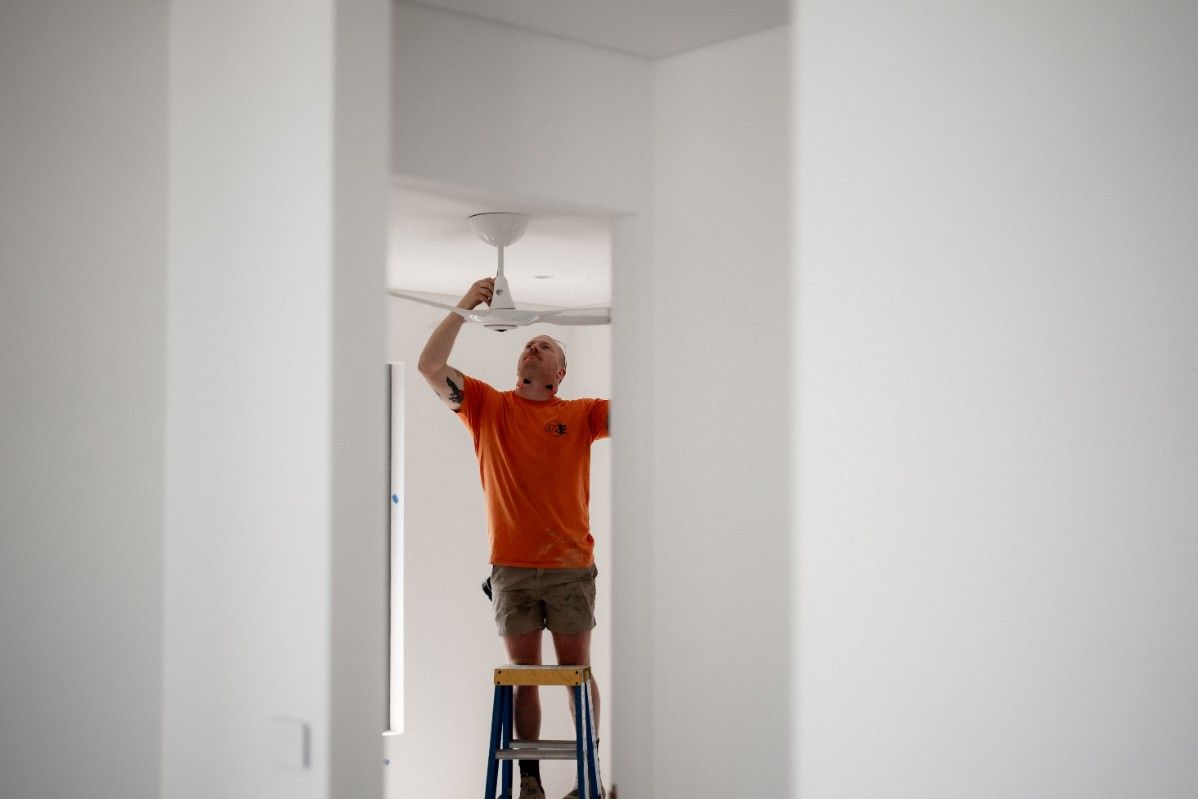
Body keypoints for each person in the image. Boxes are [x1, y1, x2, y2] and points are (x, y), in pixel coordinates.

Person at [417, 277, 610, 799]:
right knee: (525, 674)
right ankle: (530, 783)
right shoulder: (486, 406)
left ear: (558, 374)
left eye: (545, 346)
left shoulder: (581, 413)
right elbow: (430, 369)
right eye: (530, 342)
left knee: (575, 670)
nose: (534, 344)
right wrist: (463, 305)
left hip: (570, 567)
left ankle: (588, 773)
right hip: (511, 570)